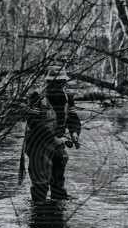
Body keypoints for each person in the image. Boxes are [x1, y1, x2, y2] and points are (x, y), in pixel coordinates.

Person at [21, 70, 82, 203]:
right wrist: (53, 138)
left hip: (58, 144)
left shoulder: (67, 98)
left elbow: (73, 119)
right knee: (40, 184)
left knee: (59, 176)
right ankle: (38, 211)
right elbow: (33, 122)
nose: (57, 86)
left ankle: (57, 205)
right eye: (54, 83)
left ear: (64, 83)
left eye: (60, 83)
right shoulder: (36, 98)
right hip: (38, 145)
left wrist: (74, 133)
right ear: (48, 83)